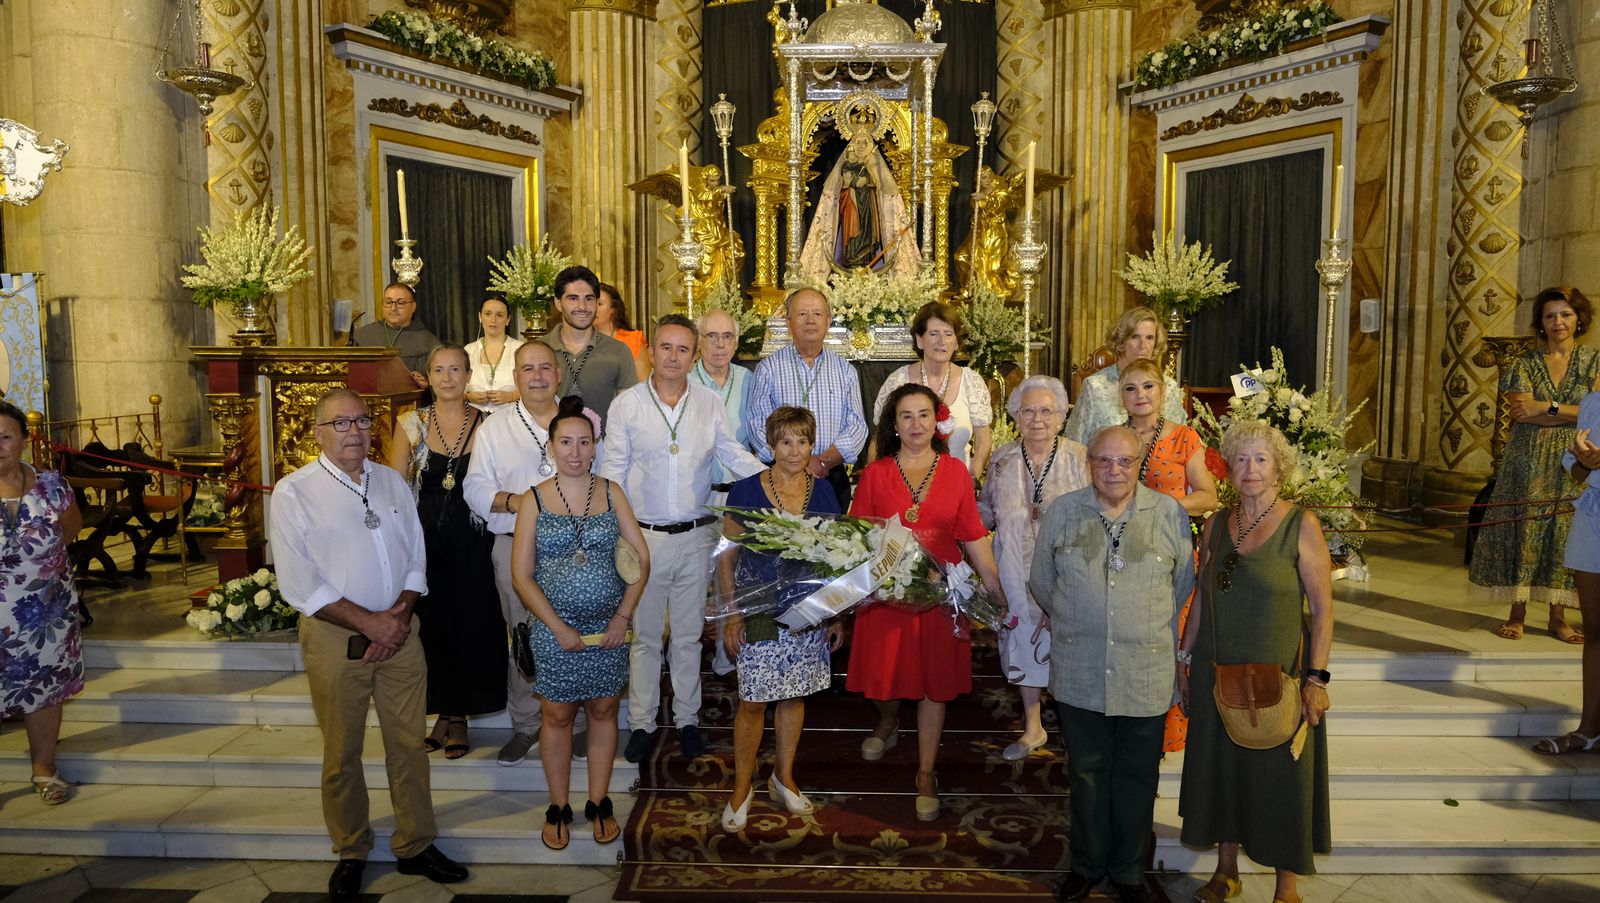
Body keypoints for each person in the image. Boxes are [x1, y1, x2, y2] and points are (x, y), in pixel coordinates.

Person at [269, 388, 468, 901]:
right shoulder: (295, 493)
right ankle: (352, 848)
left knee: (408, 747)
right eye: (340, 423)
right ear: (317, 432)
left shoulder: (392, 482)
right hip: (336, 640)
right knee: (342, 752)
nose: (353, 431)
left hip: (402, 634)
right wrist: (369, 624)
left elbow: (415, 557)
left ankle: (416, 843)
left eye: (360, 421)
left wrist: (396, 617)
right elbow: (299, 583)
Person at [1029, 426, 1195, 903]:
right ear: (1090, 464)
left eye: (1124, 461)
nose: (1114, 470)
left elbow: (1183, 584)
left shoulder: (1168, 514)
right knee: (1085, 773)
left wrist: (1135, 623)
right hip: (1081, 669)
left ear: (1138, 462)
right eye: (1104, 461)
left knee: (1138, 777)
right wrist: (1086, 617)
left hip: (1145, 673)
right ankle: (1086, 865)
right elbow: (1043, 582)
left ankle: (1126, 871)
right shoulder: (1063, 512)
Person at [1177, 420, 1334, 903]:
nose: (1251, 469)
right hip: (1215, 664)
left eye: (1261, 459)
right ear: (1229, 467)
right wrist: (1185, 657)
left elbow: (1324, 607)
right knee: (1221, 766)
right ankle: (1226, 870)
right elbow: (1202, 596)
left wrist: (1316, 678)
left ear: (1278, 467)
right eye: (1242, 459)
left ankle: (1286, 885)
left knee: (1283, 776)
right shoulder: (1219, 523)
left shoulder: (1300, 523)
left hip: (1280, 673)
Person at [602, 314, 764, 764]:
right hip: (644, 538)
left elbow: (730, 453)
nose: (673, 357)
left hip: (697, 534)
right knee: (646, 637)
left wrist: (775, 482)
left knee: (690, 637)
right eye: (665, 348)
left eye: (682, 349)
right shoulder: (627, 405)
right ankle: (642, 722)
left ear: (693, 357)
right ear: (651, 351)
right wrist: (617, 532)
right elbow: (613, 472)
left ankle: (689, 719)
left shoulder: (709, 403)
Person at [847, 383, 1008, 821]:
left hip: (941, 590)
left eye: (923, 415)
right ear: (893, 424)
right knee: (884, 679)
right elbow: (856, 535)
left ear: (935, 421)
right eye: (906, 416)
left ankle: (925, 770)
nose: (915, 424)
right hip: (886, 591)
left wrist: (993, 585)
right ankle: (887, 720)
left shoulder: (956, 471)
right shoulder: (876, 473)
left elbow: (972, 533)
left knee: (933, 682)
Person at [511, 396, 649, 850]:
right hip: (555, 630)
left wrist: (622, 616)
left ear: (595, 446)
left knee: (605, 711)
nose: (574, 451)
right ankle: (558, 806)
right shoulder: (532, 500)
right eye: (565, 442)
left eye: (583, 442)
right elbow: (522, 576)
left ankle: (598, 801)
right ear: (551, 447)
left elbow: (640, 561)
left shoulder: (612, 491)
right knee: (557, 715)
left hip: (608, 631)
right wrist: (556, 627)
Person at [716, 406, 844, 831]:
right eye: (786, 441)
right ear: (770, 445)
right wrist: (732, 613)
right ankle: (741, 786)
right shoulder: (747, 489)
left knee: (794, 696)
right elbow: (726, 555)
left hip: (808, 612)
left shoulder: (824, 493)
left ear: (812, 445)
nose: (795, 450)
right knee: (753, 700)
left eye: (803, 441)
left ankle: (783, 777)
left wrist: (836, 614)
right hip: (757, 611)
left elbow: (836, 560)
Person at [385, 345, 505, 760]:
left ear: (468, 374)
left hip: (474, 543)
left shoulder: (489, 425)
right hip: (425, 545)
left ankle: (459, 717)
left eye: (456, 369)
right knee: (433, 628)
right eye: (439, 370)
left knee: (470, 625)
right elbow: (395, 490)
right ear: (429, 376)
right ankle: (443, 713)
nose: (448, 377)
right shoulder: (410, 424)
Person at [1469, 286, 1598, 644]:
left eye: (1566, 314)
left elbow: (1594, 412)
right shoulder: (1522, 363)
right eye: (1550, 315)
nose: (1558, 321)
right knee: (1525, 531)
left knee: (1563, 535)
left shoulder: (1594, 361)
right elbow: (1522, 412)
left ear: (1578, 319)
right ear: (1540, 323)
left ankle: (1559, 618)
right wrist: (1569, 412)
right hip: (1527, 459)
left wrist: (1547, 408)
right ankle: (1517, 613)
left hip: (1578, 458)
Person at [463, 341, 567, 766]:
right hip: (514, 547)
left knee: (570, 634)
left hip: (572, 550)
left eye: (545, 367)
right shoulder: (494, 428)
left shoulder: (581, 420)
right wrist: (514, 501)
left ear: (558, 374)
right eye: (528, 369)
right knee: (522, 639)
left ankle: (573, 724)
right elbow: (473, 489)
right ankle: (526, 725)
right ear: (516, 377)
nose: (538, 375)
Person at [978, 376, 1088, 761]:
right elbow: (986, 513)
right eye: (1028, 411)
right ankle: (1033, 726)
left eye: (1046, 411)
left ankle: (1076, 727)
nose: (1037, 418)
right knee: (1024, 642)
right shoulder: (1003, 457)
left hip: (1068, 571)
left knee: (1068, 645)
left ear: (1060, 416)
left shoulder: (1079, 456)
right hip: (1013, 569)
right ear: (1015, 416)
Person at [1119, 356, 1220, 752]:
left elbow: (1208, 496)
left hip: (1170, 555)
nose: (1140, 395)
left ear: (1163, 392)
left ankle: (1168, 738)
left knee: (1170, 640)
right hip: (1123, 556)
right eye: (1131, 388)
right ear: (1120, 396)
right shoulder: (1114, 437)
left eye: (1148, 386)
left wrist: (1163, 503)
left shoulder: (1184, 438)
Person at [0, 400, 84, 806]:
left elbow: (71, 528)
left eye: (5, 437)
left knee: (45, 691)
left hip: (44, 614)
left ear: (23, 440)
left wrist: (39, 572)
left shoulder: (52, 485)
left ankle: (44, 770)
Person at [747, 287, 869, 508]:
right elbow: (757, 424)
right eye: (802, 314)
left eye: (817, 314)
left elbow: (857, 426)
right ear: (788, 322)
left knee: (831, 541)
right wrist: (794, 460)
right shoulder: (769, 368)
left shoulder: (845, 371)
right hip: (780, 478)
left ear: (829, 321)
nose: (810, 321)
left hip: (830, 476)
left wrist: (821, 460)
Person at [871, 300, 993, 477]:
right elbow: (879, 439)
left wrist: (974, 472)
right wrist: (877, 479)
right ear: (920, 340)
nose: (942, 341)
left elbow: (983, 438)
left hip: (957, 484)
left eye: (948, 334)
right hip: (904, 483)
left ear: (957, 342)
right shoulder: (898, 380)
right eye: (934, 333)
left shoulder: (971, 381)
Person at [1548, 401, 1600, 754]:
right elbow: (1576, 469)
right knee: (1595, 631)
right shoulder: (1593, 403)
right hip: (1594, 517)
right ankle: (1588, 730)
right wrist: (1586, 463)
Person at [1063, 306, 1186, 445]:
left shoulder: (1168, 386)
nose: (1143, 345)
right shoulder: (1095, 387)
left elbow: (1182, 441)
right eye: (1135, 337)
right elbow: (1074, 443)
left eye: (1150, 338)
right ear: (1121, 342)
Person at [538, 265, 638, 425]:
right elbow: (530, 406)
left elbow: (629, 414)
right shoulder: (540, 350)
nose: (582, 306)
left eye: (589, 299)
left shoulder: (618, 351)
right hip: (547, 446)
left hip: (604, 448)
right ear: (558, 303)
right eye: (573, 298)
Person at [352, 282, 440, 390]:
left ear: (413, 307)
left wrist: (427, 383)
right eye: (388, 302)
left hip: (411, 404)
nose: (393, 308)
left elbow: (441, 383)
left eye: (401, 303)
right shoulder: (363, 335)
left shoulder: (427, 341)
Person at [463, 293, 525, 413]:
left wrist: (511, 397)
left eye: (499, 315)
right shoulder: (468, 351)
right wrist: (468, 397)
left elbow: (534, 389)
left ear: (508, 320)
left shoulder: (521, 350)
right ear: (480, 317)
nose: (493, 320)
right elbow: (455, 390)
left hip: (511, 418)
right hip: (474, 420)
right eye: (488, 314)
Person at [597, 282, 649, 381]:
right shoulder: (580, 342)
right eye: (591, 302)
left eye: (600, 304)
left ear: (614, 310)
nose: (593, 308)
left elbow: (643, 386)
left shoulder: (632, 342)